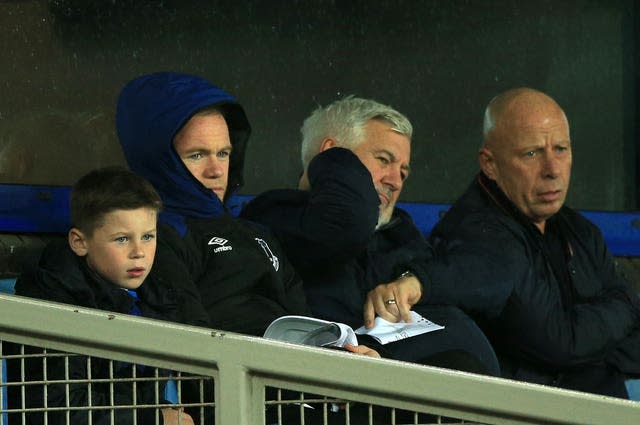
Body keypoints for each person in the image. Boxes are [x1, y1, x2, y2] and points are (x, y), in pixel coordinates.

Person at [115, 72, 376, 362]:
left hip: (295, 384)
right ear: (161, 160)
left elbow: (306, 326)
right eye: (197, 155)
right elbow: (191, 343)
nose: (216, 170)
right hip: (234, 391)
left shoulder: (257, 233)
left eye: (224, 153)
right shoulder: (156, 236)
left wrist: (347, 354)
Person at [241, 96, 500, 376]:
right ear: (332, 155)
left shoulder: (401, 232)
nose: (396, 180)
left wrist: (417, 282)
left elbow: (482, 279)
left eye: (403, 171)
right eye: (383, 160)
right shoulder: (276, 216)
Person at [427, 87, 640, 398]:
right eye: (532, 153)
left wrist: (599, 332)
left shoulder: (579, 230)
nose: (552, 170)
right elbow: (561, 343)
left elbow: (631, 346)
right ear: (490, 164)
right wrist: (627, 304)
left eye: (561, 149)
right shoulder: (476, 235)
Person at [8, 166, 204, 424]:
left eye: (148, 236)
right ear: (79, 242)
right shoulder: (50, 302)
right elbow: (58, 409)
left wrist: (163, 411)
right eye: (122, 239)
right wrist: (153, 418)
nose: (139, 252)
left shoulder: (155, 297)